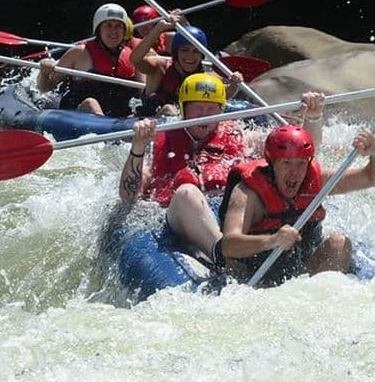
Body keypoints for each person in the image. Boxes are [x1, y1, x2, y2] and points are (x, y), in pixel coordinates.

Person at [119, 73, 326, 264]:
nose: (204, 114)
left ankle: (235, 252)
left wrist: (314, 117)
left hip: (229, 211)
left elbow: (297, 151)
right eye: (197, 107)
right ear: (183, 109)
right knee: (186, 193)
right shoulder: (159, 142)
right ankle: (223, 257)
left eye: (211, 108)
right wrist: (138, 148)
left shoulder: (239, 136)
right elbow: (129, 195)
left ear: (221, 110)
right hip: (183, 215)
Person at [217, 125, 375, 286]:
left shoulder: (317, 180)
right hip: (255, 278)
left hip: (303, 276)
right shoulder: (248, 193)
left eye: (301, 163)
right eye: (286, 163)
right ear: (273, 163)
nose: (295, 172)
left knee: (339, 244)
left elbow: (373, 177)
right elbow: (228, 245)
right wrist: (271, 240)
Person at [37, 3, 145, 117]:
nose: (114, 31)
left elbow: (144, 93)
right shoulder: (79, 53)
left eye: (118, 26)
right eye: (108, 25)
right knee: (91, 103)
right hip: (79, 113)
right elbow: (45, 88)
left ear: (124, 31)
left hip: (118, 118)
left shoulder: (134, 57)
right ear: (98, 29)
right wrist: (44, 73)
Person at [130, 22, 243, 116]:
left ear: (201, 55)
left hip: (187, 127)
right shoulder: (159, 68)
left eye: (195, 51)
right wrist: (158, 29)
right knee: (168, 109)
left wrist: (234, 84)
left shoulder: (204, 76)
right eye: (184, 50)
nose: (190, 56)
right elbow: (135, 59)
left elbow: (224, 95)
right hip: (151, 121)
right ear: (176, 52)